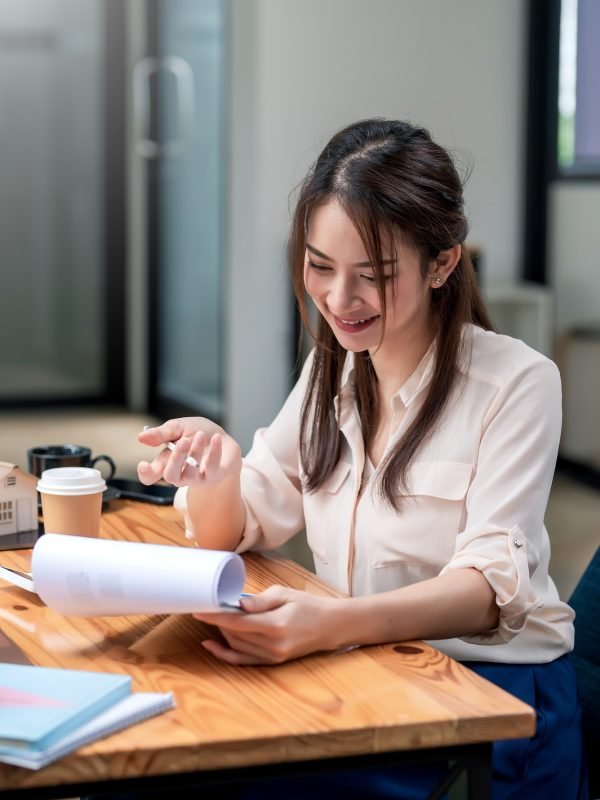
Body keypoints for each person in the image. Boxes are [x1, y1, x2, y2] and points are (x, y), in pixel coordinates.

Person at [137, 119, 587, 799]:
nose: (338, 302)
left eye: (372, 277)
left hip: (487, 700)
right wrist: (218, 472)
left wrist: (328, 626)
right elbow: (235, 525)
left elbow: (485, 591)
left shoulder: (518, 383)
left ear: (442, 264)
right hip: (363, 665)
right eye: (319, 267)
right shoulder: (336, 365)